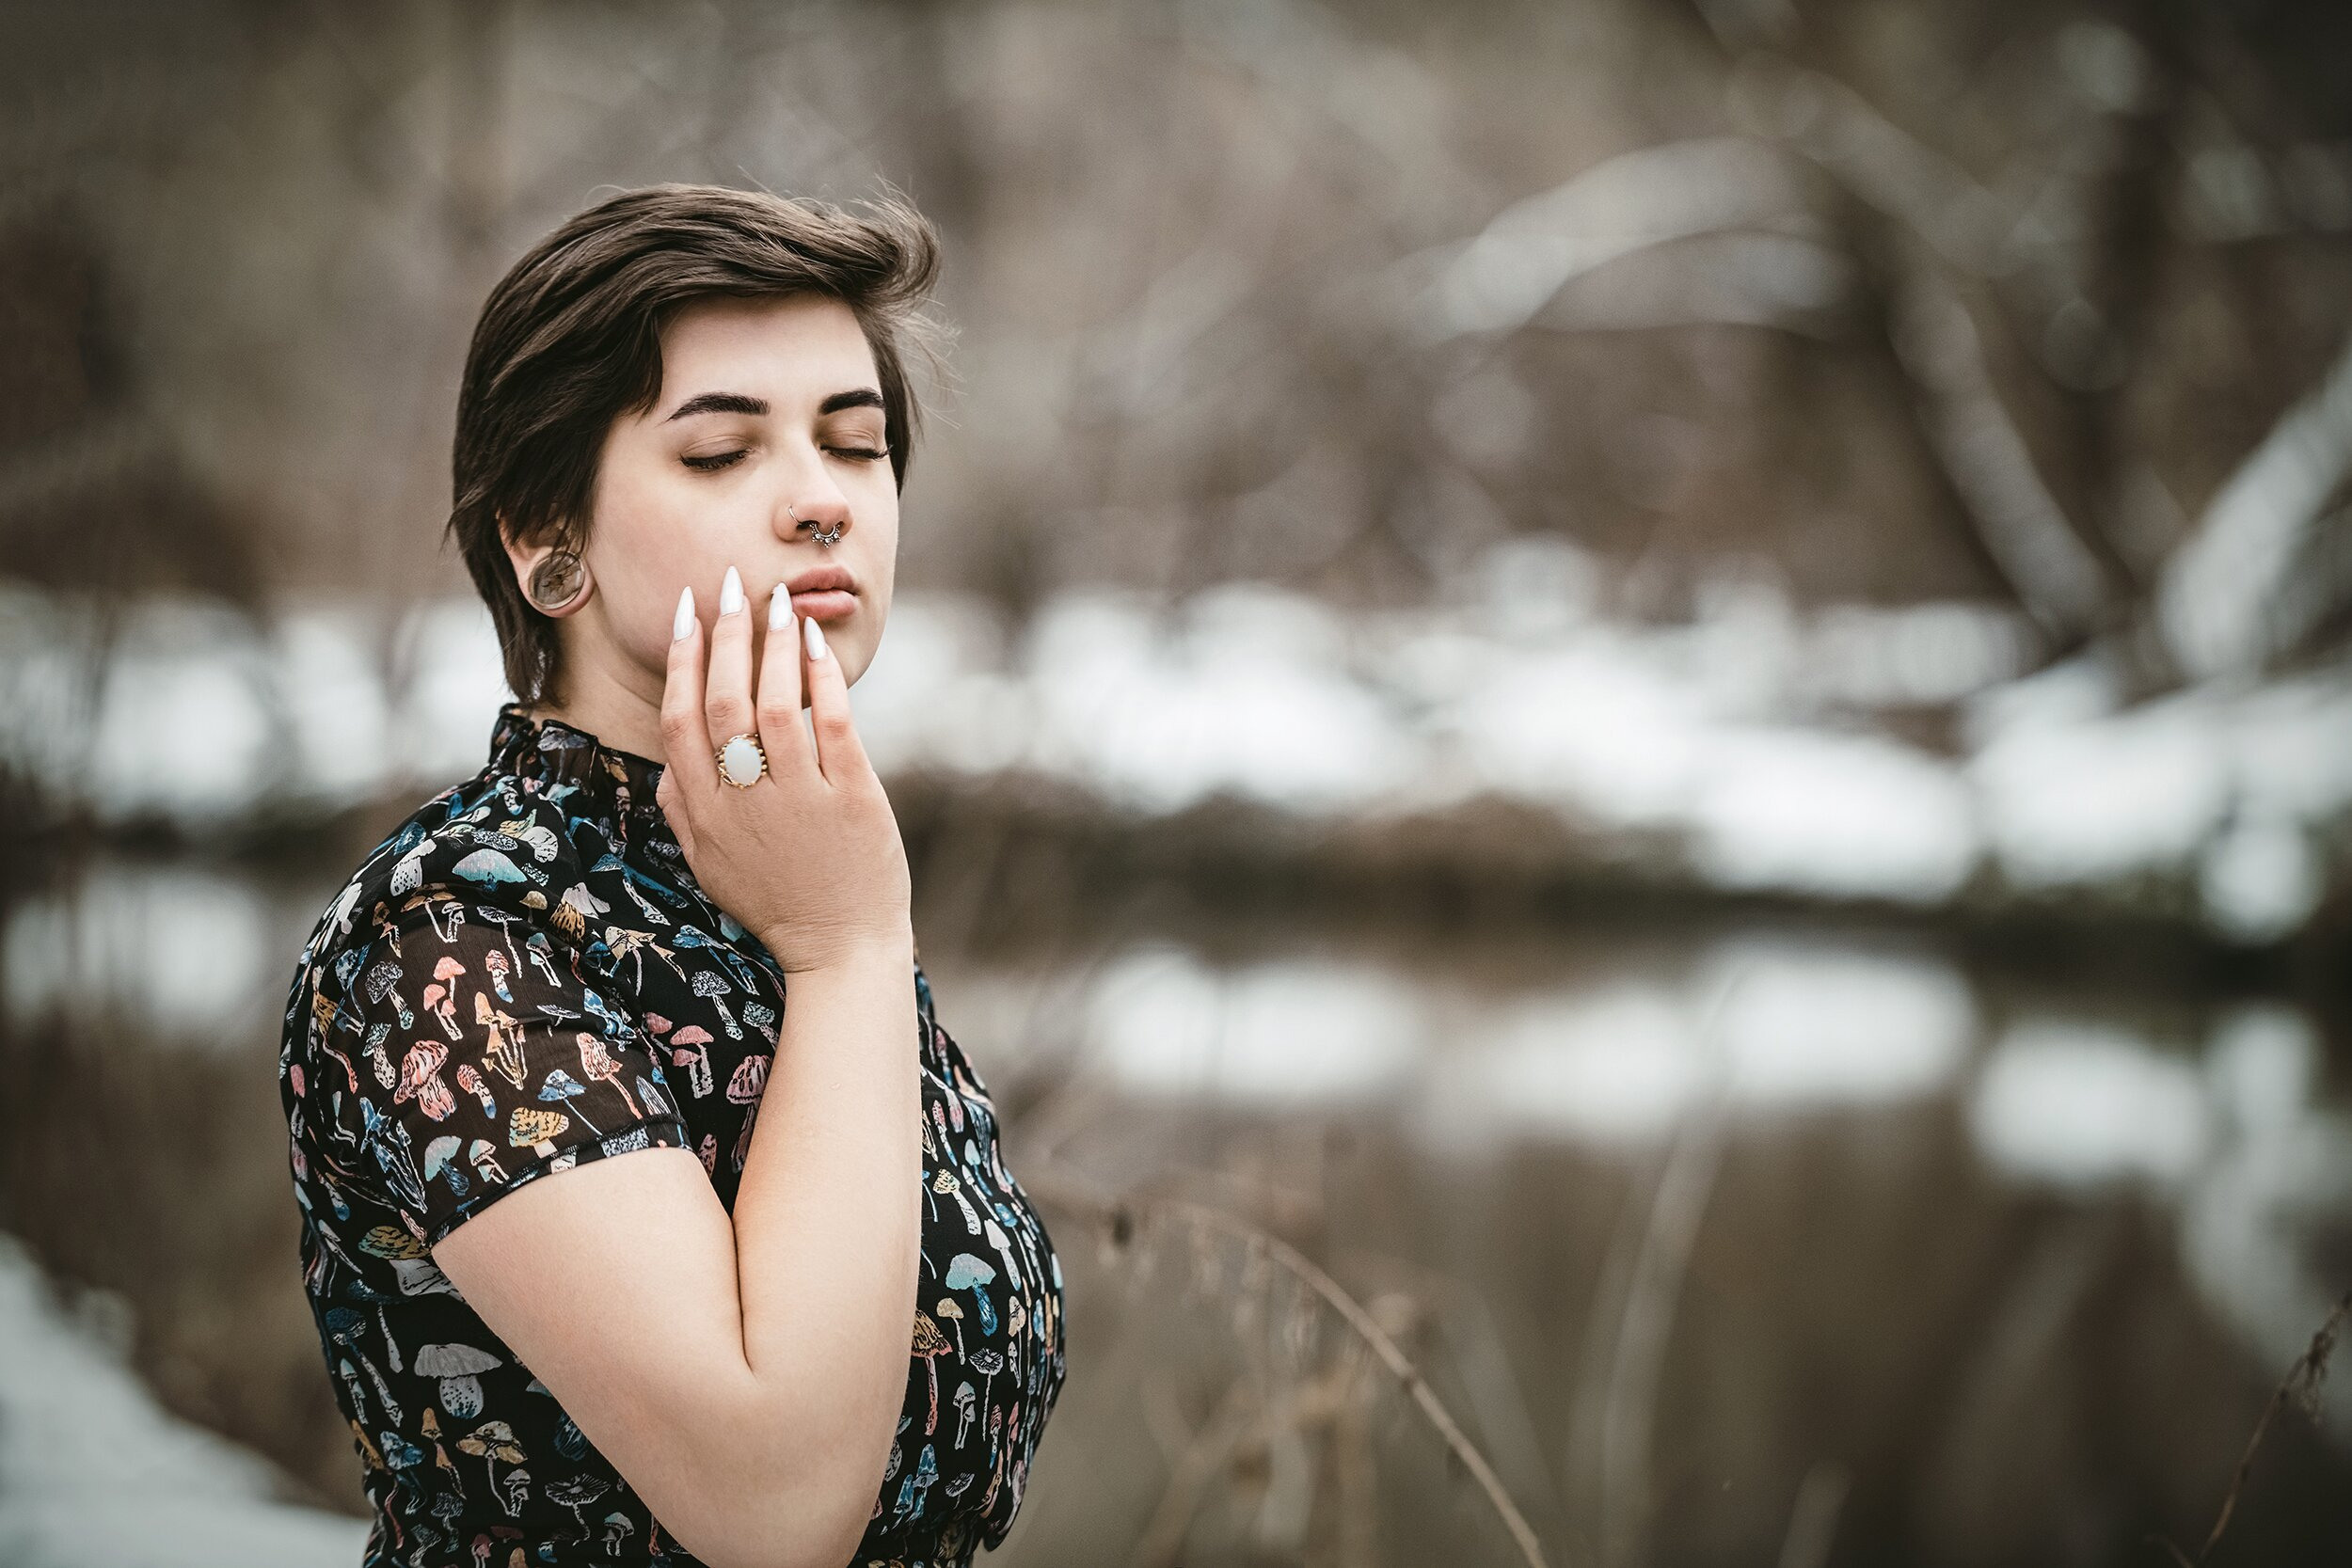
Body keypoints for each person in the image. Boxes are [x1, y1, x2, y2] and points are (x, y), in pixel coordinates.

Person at [277, 182, 1065, 1568]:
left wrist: (834, 936)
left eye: (857, 443)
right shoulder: (450, 940)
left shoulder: (778, 878)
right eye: (720, 455)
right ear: (544, 538)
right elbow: (771, 1512)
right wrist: (849, 948)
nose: (823, 502)